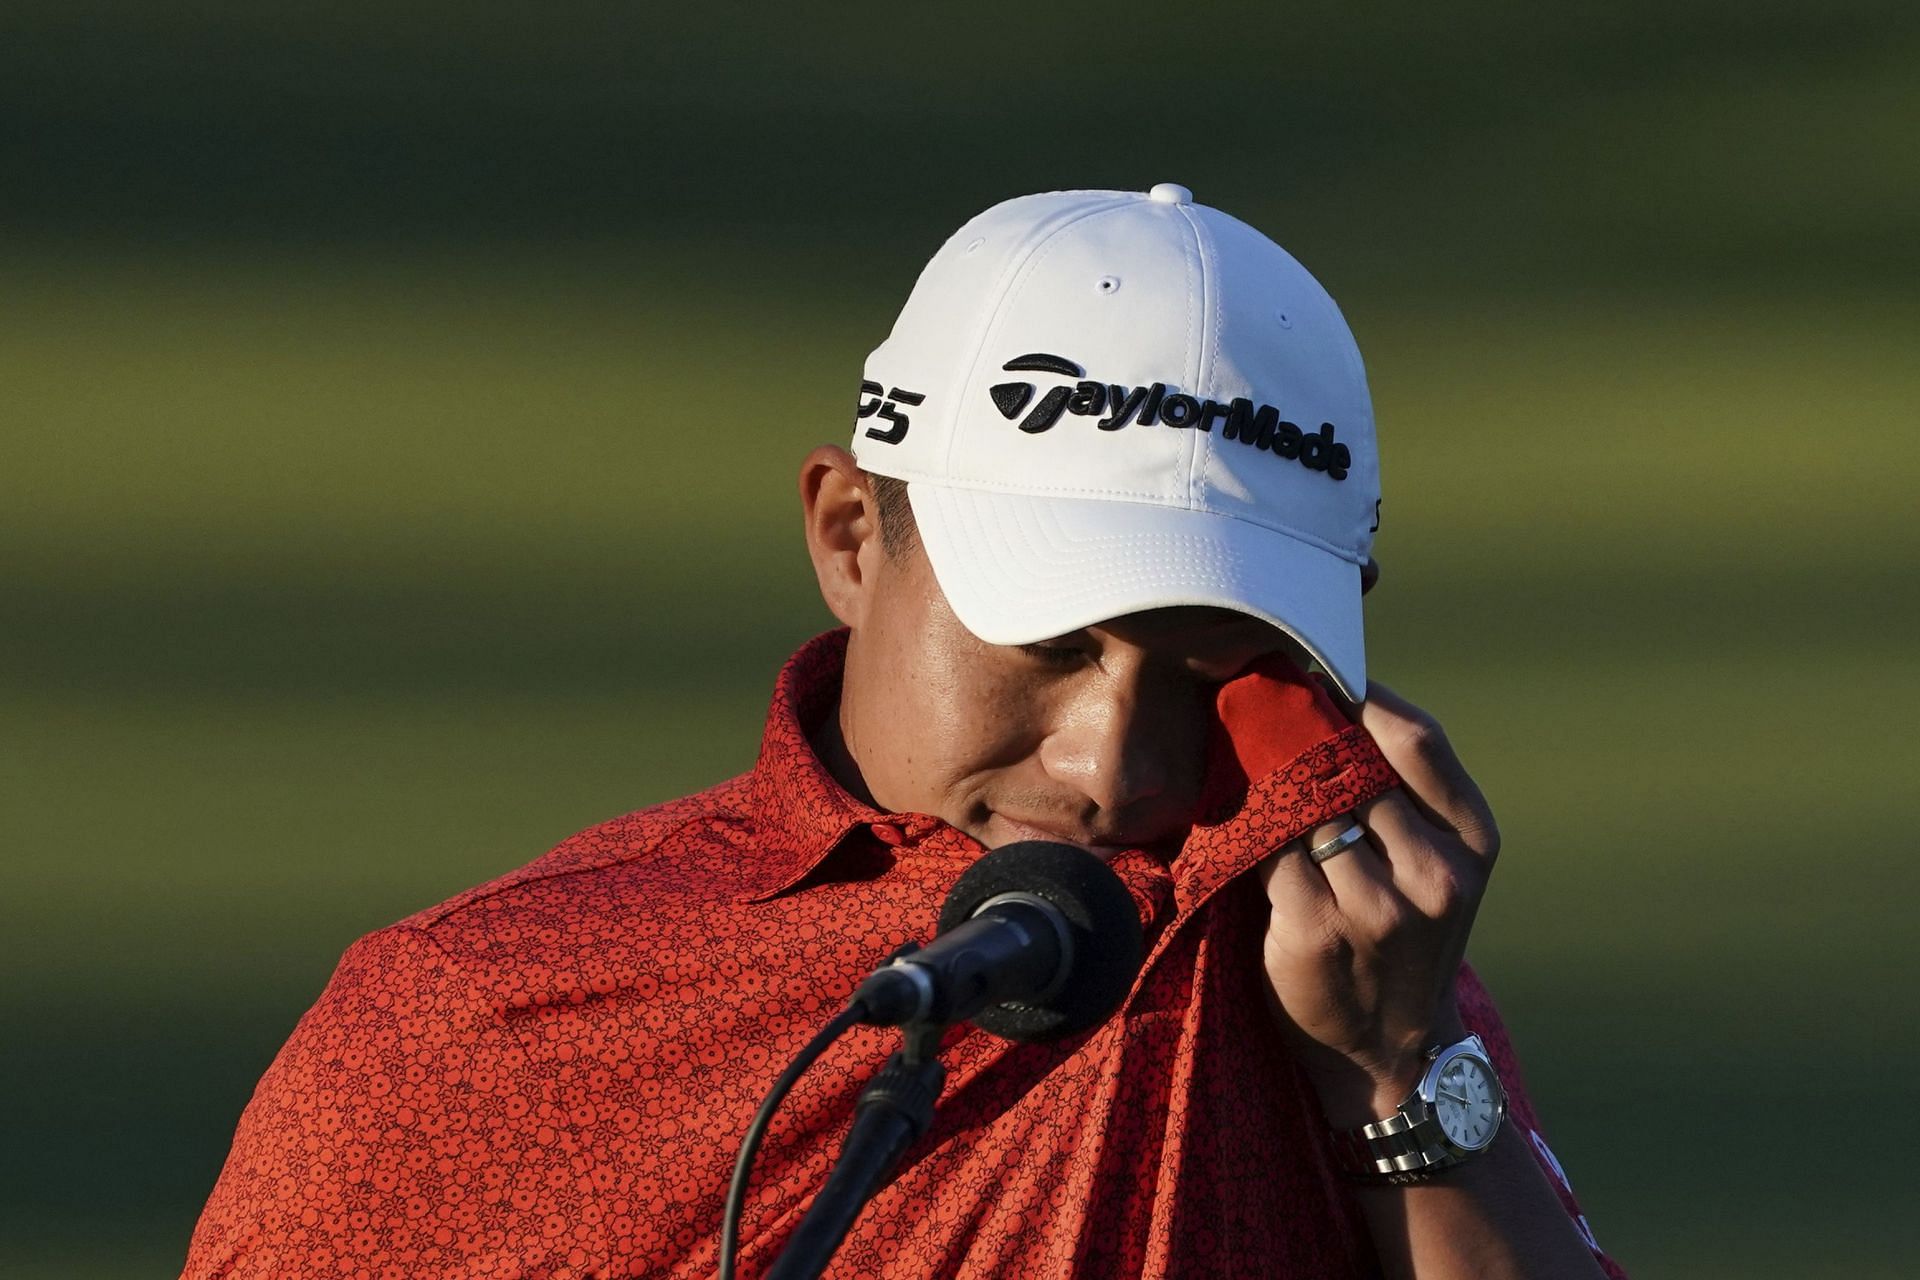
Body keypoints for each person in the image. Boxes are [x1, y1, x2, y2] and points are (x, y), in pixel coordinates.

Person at [183, 184, 1626, 1278]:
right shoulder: (472, 1025)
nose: (1119, 771)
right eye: (1051, 643)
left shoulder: (1331, 967)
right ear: (851, 535)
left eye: (1213, 673)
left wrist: (1396, 1074)